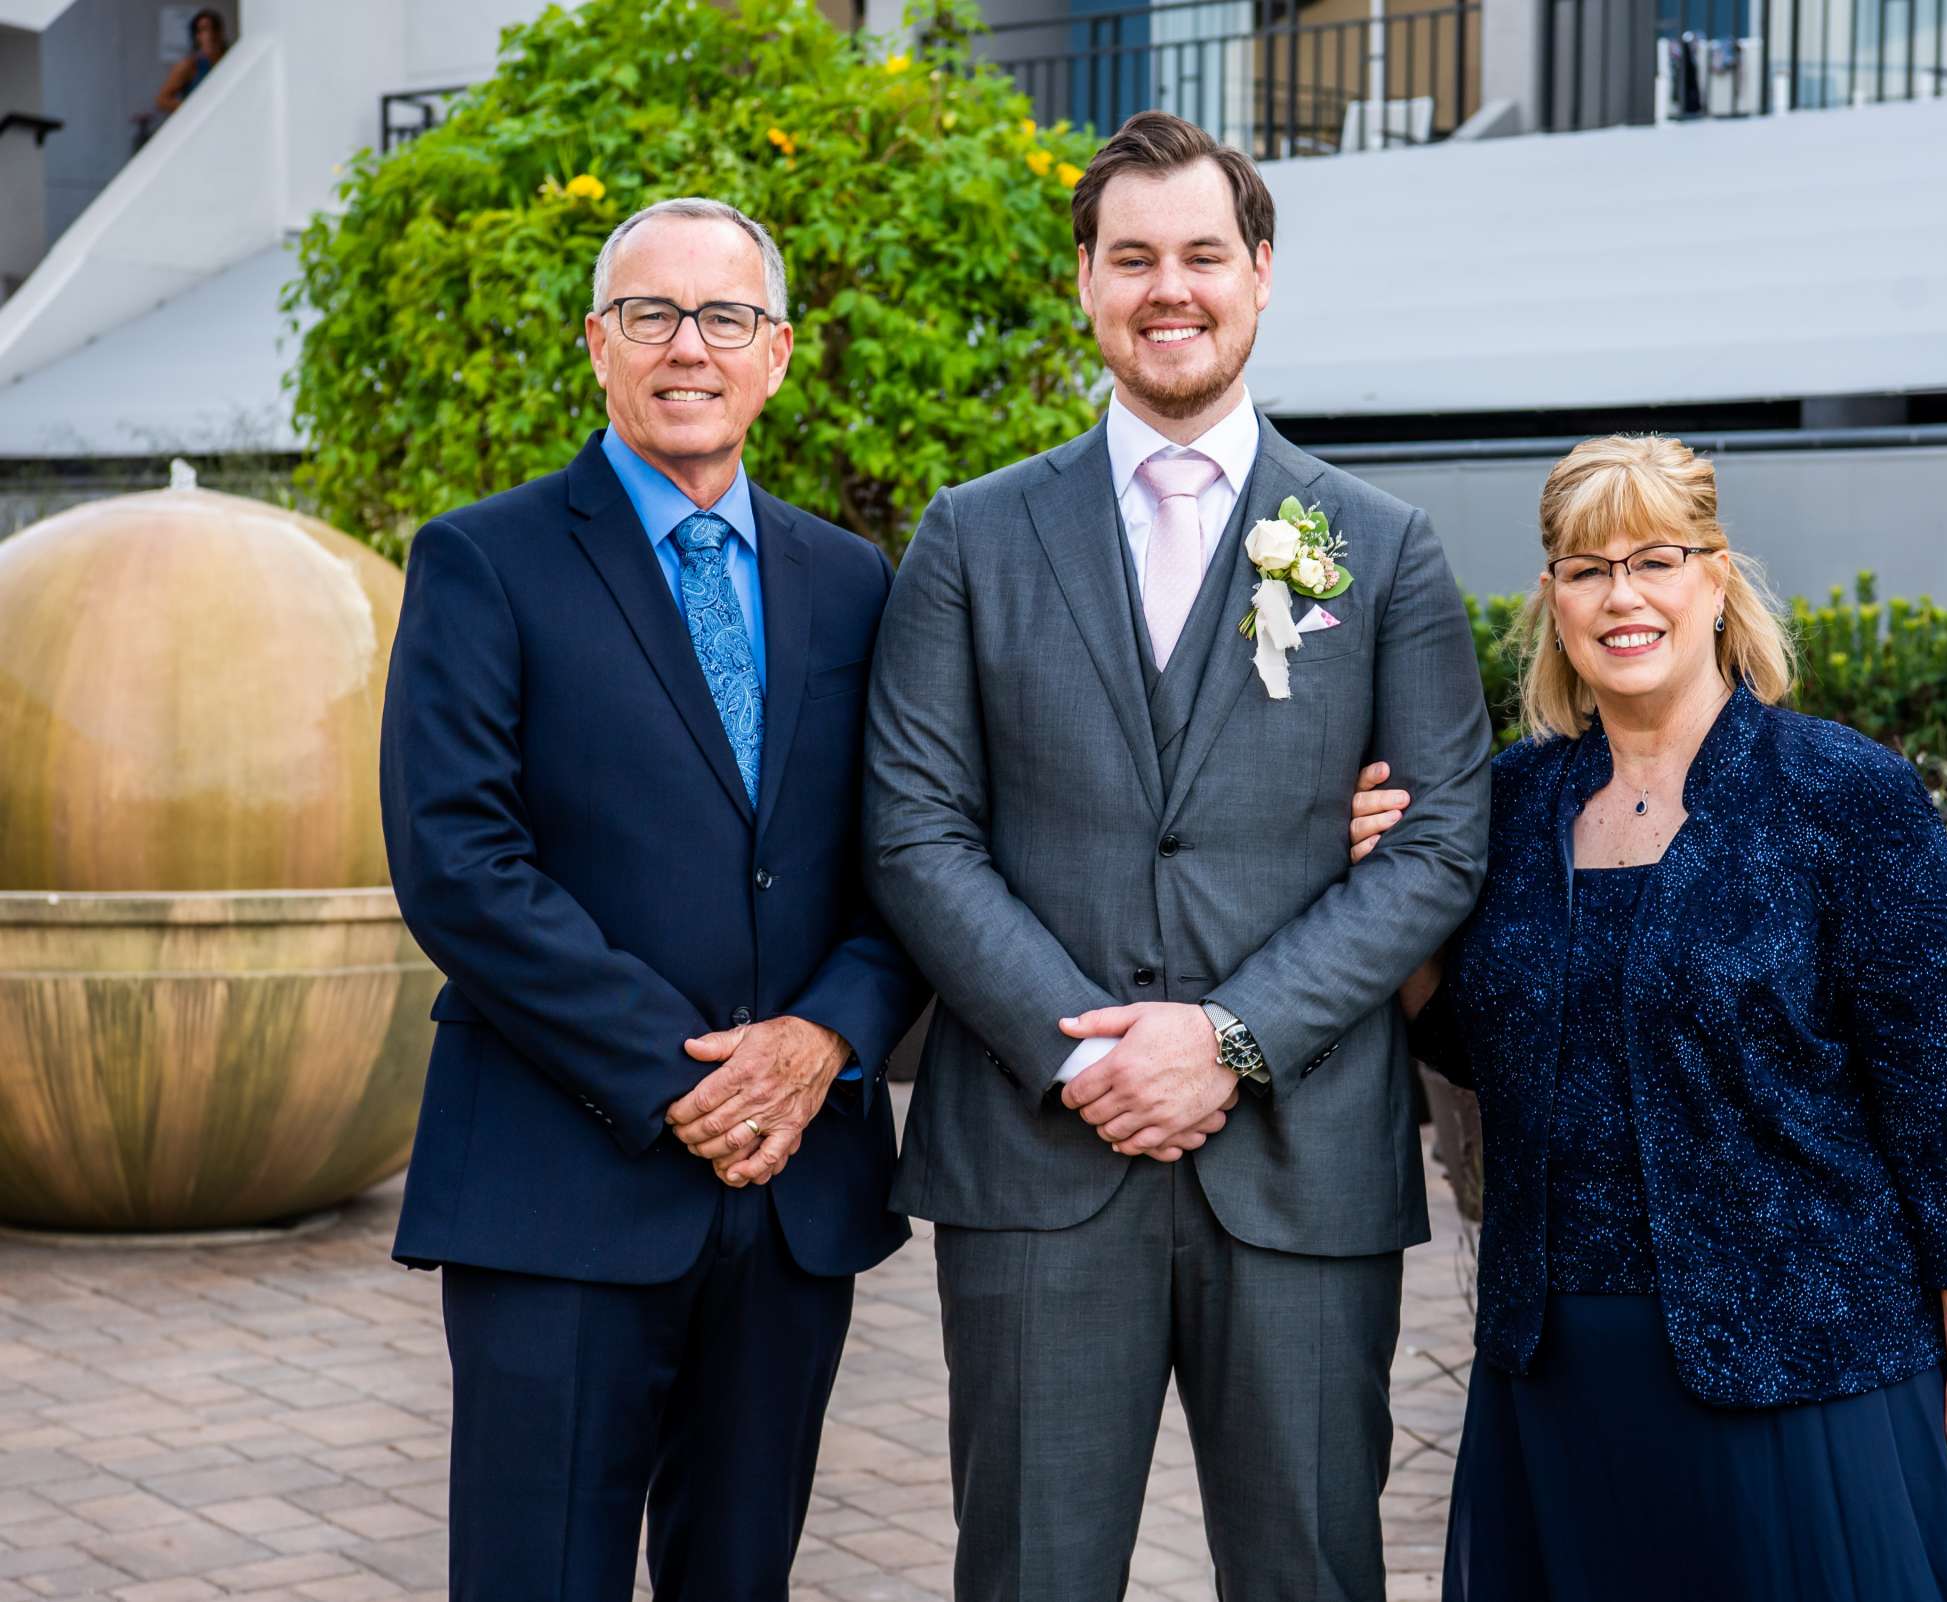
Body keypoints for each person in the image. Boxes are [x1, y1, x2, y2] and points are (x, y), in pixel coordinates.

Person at [863, 110, 1492, 1602]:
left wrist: (1229, 1037)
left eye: (1204, 254)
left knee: (1314, 1570)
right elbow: (914, 825)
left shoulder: (1381, 546)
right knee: (1026, 1572)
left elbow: (1443, 839)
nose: (1172, 288)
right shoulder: (970, 537)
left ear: (1261, 273)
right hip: (1036, 1154)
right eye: (1133, 256)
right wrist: (1083, 1055)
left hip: (1302, 1159)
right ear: (1083, 280)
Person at [380, 196, 922, 1602]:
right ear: (598, 345)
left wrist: (819, 1045)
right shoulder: (483, 560)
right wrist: (682, 1078)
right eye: (651, 314)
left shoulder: (853, 582)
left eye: (726, 316)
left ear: (779, 352)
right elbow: (460, 862)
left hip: (797, 1181)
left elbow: (906, 853)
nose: (691, 346)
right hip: (561, 1177)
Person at [1396, 434, 1947, 1600]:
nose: (1622, 595)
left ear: (1717, 576)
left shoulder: (1844, 797)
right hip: (1560, 1384)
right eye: (1586, 570)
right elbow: (1480, 1048)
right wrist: (1388, 901)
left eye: (1654, 557)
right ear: (1551, 601)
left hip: (1808, 1376)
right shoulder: (1507, 805)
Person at [154, 9, 228, 116]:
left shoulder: (229, 60)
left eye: (214, 28)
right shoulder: (189, 65)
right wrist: (193, 109)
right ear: (197, 36)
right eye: (203, 30)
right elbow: (162, 99)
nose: (210, 35)